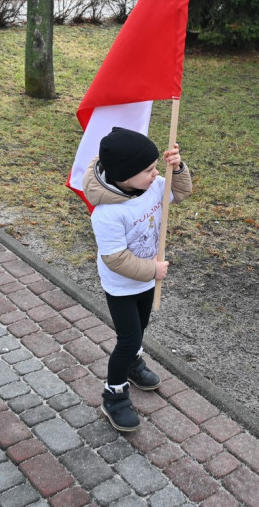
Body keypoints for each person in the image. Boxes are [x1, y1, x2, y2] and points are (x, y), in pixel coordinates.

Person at [83, 127, 193, 432]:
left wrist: (178, 168)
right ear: (124, 176)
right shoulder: (107, 213)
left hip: (146, 280)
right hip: (121, 286)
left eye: (156, 166)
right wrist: (152, 271)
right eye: (148, 169)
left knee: (141, 327)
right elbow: (115, 259)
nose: (156, 173)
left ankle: (133, 364)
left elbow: (181, 192)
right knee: (128, 338)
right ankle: (114, 394)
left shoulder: (154, 185)